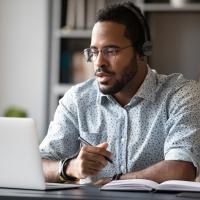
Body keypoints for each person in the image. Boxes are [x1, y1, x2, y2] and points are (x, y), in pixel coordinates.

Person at [40, 1, 200, 185]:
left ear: (142, 51)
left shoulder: (181, 95)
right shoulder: (77, 99)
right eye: (94, 52)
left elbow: (181, 169)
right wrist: (70, 167)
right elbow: (39, 165)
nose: (99, 62)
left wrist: (116, 181)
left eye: (111, 51)